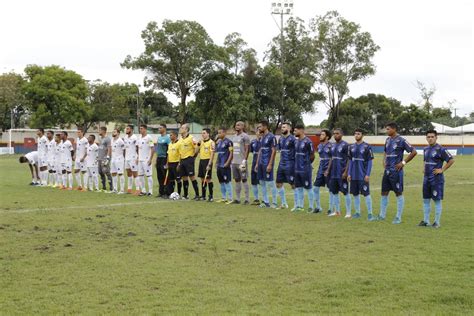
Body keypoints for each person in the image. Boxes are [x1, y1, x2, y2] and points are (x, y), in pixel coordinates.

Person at [377, 122, 417, 224]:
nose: (387, 131)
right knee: (384, 192)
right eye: (386, 129)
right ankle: (382, 215)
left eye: (388, 129)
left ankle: (398, 217)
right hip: (387, 171)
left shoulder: (401, 140)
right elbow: (385, 151)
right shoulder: (387, 140)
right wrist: (384, 160)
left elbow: (413, 152)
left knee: (398, 193)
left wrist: (403, 162)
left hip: (396, 171)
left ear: (394, 129)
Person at [419, 129, 454, 228]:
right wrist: (424, 167)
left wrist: (442, 170)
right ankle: (426, 221)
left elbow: (451, 160)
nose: (430, 139)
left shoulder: (441, 149)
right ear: (426, 138)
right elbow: (425, 160)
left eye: (432, 137)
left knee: (437, 200)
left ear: (436, 137)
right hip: (426, 178)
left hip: (436, 179)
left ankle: (437, 222)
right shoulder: (425, 149)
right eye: (428, 137)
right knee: (426, 200)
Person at [347, 128, 375, 220]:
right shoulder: (351, 147)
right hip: (354, 175)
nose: (356, 135)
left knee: (366, 194)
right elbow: (350, 161)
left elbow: (370, 162)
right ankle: (357, 212)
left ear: (362, 135)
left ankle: (370, 214)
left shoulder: (367, 147)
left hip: (362, 175)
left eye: (358, 134)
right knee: (355, 194)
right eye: (355, 134)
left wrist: (367, 174)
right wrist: (349, 174)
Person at [292, 124, 315, 212]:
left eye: (295, 130)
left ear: (301, 130)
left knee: (308, 187)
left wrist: (307, 164)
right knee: (298, 187)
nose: (294, 132)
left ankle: (311, 206)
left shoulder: (308, 141)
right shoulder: (296, 141)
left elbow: (312, 155)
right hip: (297, 169)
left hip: (305, 169)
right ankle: (300, 206)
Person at [327, 128, 350, 217]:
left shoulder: (345, 145)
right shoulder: (332, 145)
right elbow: (331, 159)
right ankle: (337, 211)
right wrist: (328, 170)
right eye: (334, 133)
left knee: (345, 192)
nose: (335, 135)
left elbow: (349, 159)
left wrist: (346, 171)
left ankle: (348, 212)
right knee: (334, 192)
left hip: (342, 172)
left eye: (337, 133)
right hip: (333, 173)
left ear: (341, 134)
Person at [255, 120, 278, 208]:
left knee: (270, 183)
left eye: (260, 127)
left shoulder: (271, 137)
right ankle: (265, 202)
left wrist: (270, 164)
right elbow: (260, 150)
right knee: (262, 182)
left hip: (267, 163)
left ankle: (274, 202)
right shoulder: (262, 137)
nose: (259, 128)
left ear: (265, 127)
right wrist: (257, 163)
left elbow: (274, 150)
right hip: (261, 163)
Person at [276, 122, 296, 209]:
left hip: (290, 164)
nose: (282, 129)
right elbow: (279, 150)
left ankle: (297, 205)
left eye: (284, 127)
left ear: (289, 129)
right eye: (281, 127)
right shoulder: (280, 139)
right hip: (281, 163)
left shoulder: (293, 139)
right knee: (278, 183)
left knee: (293, 184)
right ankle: (284, 204)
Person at [312, 129, 332, 214]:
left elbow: (332, 158)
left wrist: (328, 170)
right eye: (321, 135)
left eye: (323, 135)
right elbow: (320, 159)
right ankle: (318, 207)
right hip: (320, 170)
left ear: (327, 137)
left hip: (329, 170)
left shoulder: (331, 146)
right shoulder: (319, 146)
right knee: (315, 188)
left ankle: (330, 208)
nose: (320, 136)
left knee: (330, 190)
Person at [178, 124, 199, 200]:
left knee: (192, 177)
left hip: (189, 159)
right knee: (184, 177)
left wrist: (193, 157)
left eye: (182, 128)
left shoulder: (191, 138)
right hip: (182, 160)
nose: (181, 129)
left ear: (186, 129)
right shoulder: (180, 139)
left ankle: (197, 195)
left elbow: (196, 148)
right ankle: (185, 195)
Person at [216, 127, 233, 203]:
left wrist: (227, 163)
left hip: (225, 165)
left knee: (227, 181)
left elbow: (231, 153)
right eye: (218, 133)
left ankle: (230, 198)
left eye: (220, 133)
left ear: (224, 133)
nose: (219, 134)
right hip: (219, 165)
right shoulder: (219, 142)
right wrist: (216, 162)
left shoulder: (229, 142)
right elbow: (219, 154)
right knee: (221, 181)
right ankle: (223, 197)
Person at [197, 128, 215, 202]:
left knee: (208, 179)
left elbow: (212, 154)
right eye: (202, 133)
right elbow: (196, 151)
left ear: (208, 134)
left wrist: (209, 164)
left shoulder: (211, 143)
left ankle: (211, 196)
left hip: (207, 161)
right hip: (201, 161)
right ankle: (203, 196)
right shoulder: (201, 142)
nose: (202, 134)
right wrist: (198, 145)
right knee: (202, 178)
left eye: (204, 133)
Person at [137, 124, 155, 196]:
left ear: (145, 129)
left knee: (149, 175)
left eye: (141, 128)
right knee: (140, 175)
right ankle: (143, 190)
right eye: (140, 128)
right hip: (140, 160)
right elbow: (139, 148)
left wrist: (150, 159)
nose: (140, 130)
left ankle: (150, 191)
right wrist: (138, 157)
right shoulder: (139, 137)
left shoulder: (149, 137)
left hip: (146, 160)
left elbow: (152, 148)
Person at [156, 124, 171, 198]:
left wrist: (167, 161)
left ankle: (167, 192)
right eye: (158, 128)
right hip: (159, 158)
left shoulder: (168, 138)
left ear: (164, 129)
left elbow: (169, 150)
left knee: (165, 176)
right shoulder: (159, 138)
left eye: (160, 128)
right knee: (159, 176)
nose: (159, 129)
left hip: (164, 158)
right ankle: (161, 192)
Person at [124, 125, 140, 194]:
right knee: (128, 173)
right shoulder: (125, 137)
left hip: (133, 158)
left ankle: (137, 189)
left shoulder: (135, 138)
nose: (126, 130)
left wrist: (138, 157)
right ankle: (129, 189)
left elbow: (138, 148)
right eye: (126, 129)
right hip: (127, 158)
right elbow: (125, 148)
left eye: (128, 129)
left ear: (132, 130)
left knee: (135, 173)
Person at [165, 130, 181, 197]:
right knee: (171, 180)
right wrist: (167, 163)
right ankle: (170, 193)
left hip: (176, 163)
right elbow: (168, 154)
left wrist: (179, 164)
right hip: (170, 163)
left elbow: (181, 154)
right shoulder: (170, 144)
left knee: (178, 179)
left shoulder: (179, 143)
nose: (170, 136)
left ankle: (179, 194)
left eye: (171, 135)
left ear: (175, 135)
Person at [249, 126, 262, 205]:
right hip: (254, 164)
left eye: (261, 132)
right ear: (256, 133)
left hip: (262, 164)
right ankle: (256, 199)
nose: (259, 134)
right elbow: (249, 151)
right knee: (254, 182)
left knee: (261, 182)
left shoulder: (264, 142)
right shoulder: (253, 142)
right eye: (258, 132)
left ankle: (264, 199)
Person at [111, 128, 126, 194]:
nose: (113, 133)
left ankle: (122, 190)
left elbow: (124, 149)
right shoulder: (112, 140)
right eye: (113, 132)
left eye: (115, 132)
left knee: (120, 173)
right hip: (113, 159)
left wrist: (123, 158)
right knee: (113, 173)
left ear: (118, 133)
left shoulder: (120, 141)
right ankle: (115, 189)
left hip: (119, 159)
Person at [98, 126, 112, 192]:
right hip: (100, 158)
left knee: (107, 172)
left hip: (104, 158)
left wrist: (108, 157)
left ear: (103, 131)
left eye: (100, 130)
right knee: (100, 172)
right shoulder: (100, 138)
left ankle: (111, 187)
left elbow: (109, 148)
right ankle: (104, 187)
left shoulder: (107, 139)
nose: (99, 131)